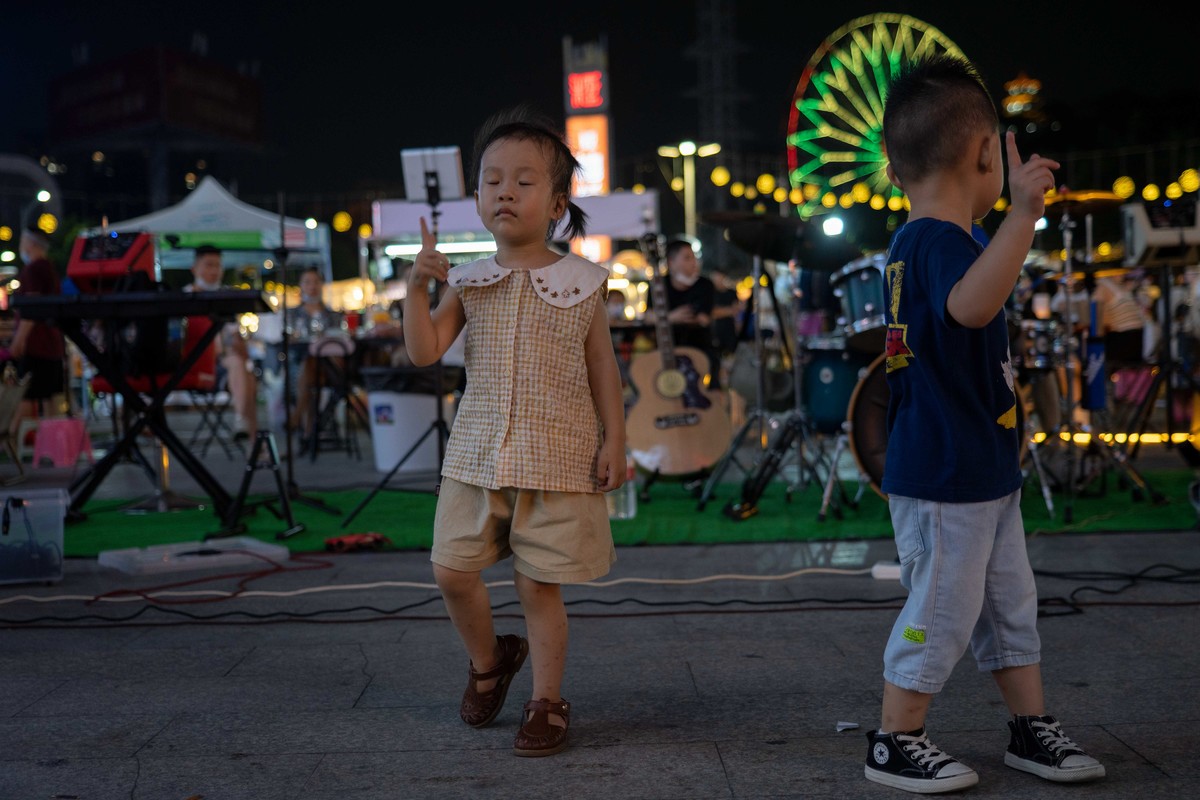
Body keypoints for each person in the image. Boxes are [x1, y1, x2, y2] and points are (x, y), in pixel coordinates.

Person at [867, 55, 1105, 793]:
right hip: (946, 474)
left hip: (977, 467)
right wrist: (1025, 214)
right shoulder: (936, 242)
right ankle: (894, 738)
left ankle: (1029, 729)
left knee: (1008, 605)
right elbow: (971, 307)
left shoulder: (935, 241)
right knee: (941, 607)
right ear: (982, 153)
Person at [402, 107, 625, 758]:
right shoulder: (470, 281)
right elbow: (424, 350)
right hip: (476, 453)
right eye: (491, 179)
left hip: (558, 455)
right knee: (450, 569)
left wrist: (616, 440)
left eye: (524, 181)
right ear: (475, 196)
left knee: (537, 582)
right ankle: (489, 660)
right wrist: (417, 289)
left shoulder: (583, 283)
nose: (504, 190)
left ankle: (547, 700)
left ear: (557, 202)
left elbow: (602, 366)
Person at [186, 245, 258, 441]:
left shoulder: (225, 300)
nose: (214, 271)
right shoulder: (184, 299)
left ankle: (246, 429)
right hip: (194, 365)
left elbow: (238, 344)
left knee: (245, 372)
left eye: (218, 266)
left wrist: (239, 346)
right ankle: (249, 435)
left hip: (223, 366)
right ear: (195, 268)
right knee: (243, 371)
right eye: (209, 265)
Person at [8, 228, 66, 429]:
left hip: (36, 345)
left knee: (25, 395)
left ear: (30, 244)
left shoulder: (32, 270)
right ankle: (54, 447)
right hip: (52, 344)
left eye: (22, 241)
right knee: (50, 398)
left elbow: (32, 310)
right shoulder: (50, 269)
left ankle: (10, 440)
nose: (21, 246)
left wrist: (18, 340)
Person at [645, 239, 721, 388]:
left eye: (694, 257)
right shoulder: (658, 285)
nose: (693, 262)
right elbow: (648, 317)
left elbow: (704, 318)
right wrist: (671, 317)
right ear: (671, 262)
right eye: (687, 257)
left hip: (700, 348)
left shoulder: (705, 285)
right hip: (666, 351)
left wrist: (664, 318)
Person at [288, 267, 346, 441]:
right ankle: (307, 427)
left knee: (313, 363)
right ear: (301, 286)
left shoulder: (333, 315)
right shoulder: (293, 314)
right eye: (307, 282)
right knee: (309, 365)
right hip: (304, 364)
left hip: (331, 365)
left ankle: (299, 421)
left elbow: (338, 338)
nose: (312, 286)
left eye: (315, 282)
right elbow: (291, 340)